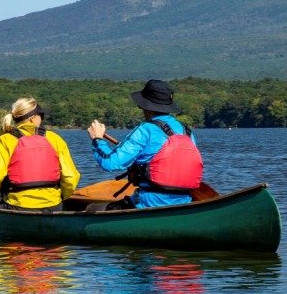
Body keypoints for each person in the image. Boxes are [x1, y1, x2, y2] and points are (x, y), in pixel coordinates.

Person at [86, 79, 203, 207]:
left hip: (148, 203)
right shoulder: (187, 132)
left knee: (92, 207)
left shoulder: (145, 130)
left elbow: (110, 163)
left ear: (145, 106)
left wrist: (97, 139)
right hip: (184, 202)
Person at [0, 97, 81, 212]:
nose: (42, 118)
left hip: (17, 206)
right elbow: (71, 177)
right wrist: (62, 196)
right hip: (54, 206)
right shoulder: (55, 139)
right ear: (32, 118)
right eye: (41, 115)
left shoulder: (6, 140)